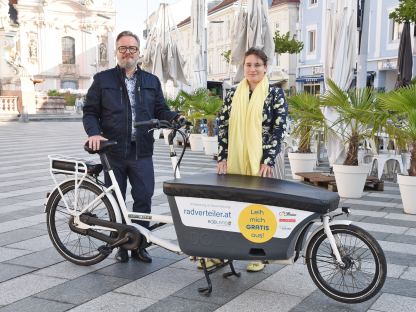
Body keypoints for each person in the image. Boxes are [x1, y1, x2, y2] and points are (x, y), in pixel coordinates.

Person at [83, 31, 180, 264]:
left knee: (143, 199)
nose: (128, 53)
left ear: (139, 52)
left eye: (132, 48)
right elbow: (90, 112)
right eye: (123, 48)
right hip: (113, 151)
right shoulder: (102, 79)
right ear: (117, 52)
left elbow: (160, 109)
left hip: (142, 150)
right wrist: (94, 133)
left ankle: (139, 246)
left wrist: (175, 118)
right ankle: (120, 246)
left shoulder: (151, 81)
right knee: (116, 200)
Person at [217, 47, 288, 272]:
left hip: (265, 160)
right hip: (236, 159)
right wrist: (222, 156)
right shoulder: (233, 94)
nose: (252, 69)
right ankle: (225, 251)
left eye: (257, 64)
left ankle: (259, 254)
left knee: (261, 208)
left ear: (266, 68)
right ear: (243, 67)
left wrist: (267, 159)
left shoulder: (275, 94)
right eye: (248, 65)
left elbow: (279, 128)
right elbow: (223, 126)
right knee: (235, 205)